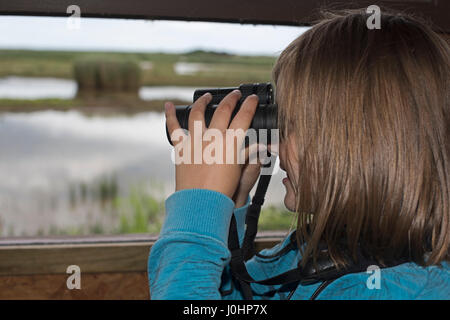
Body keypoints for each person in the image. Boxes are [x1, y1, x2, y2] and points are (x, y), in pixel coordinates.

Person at [148, 9, 450, 299]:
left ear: (359, 144)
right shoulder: (318, 251)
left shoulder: (404, 292)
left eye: (293, 126)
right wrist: (232, 201)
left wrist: (195, 218)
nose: (276, 145)